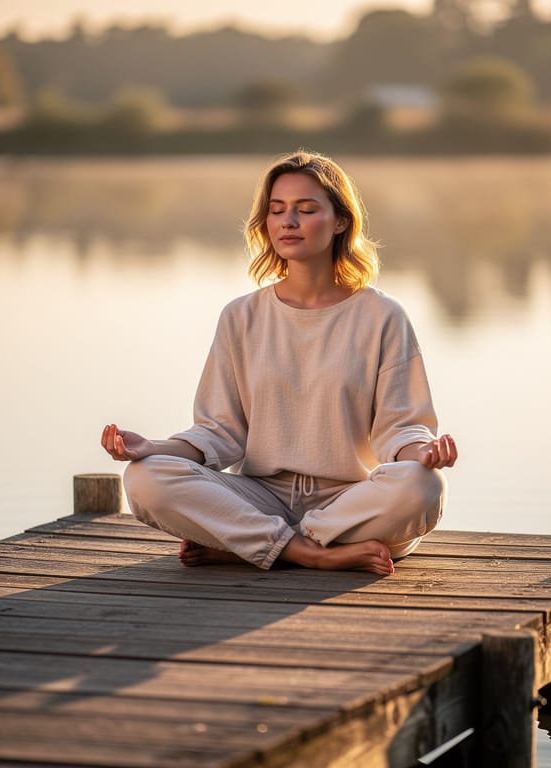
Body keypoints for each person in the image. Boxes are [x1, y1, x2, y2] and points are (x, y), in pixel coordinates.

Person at [101, 150, 457, 576]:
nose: (288, 221)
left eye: (306, 209)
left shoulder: (382, 316)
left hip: (350, 504)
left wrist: (424, 452)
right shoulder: (241, 316)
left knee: (424, 487)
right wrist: (153, 448)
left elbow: (401, 429)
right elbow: (219, 432)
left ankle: (250, 545)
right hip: (259, 496)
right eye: (277, 210)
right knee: (145, 478)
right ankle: (310, 553)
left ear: (341, 221)